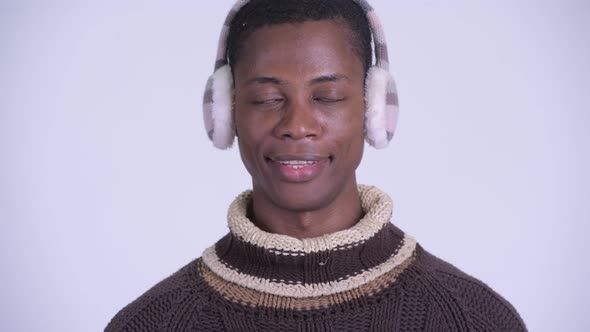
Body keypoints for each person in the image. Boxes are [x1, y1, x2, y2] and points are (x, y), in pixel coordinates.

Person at [105, 0, 527, 331]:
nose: (298, 126)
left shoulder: (474, 320)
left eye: (327, 97)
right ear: (225, 112)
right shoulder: (150, 323)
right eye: (267, 98)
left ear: (375, 109)